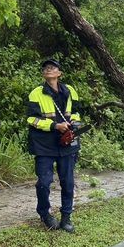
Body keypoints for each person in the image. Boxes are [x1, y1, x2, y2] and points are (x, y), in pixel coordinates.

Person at [27, 59, 81, 232]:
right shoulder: (36, 93)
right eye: (45, 68)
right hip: (44, 144)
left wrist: (73, 122)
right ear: (43, 74)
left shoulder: (70, 91)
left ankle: (66, 217)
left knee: (68, 182)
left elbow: (78, 112)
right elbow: (31, 119)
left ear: (59, 73)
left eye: (53, 67)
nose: (48, 69)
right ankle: (45, 214)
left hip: (67, 142)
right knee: (44, 182)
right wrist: (54, 125)